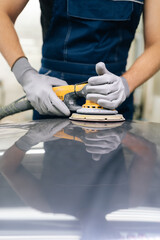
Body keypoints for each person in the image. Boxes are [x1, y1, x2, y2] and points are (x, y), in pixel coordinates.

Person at [0, 0, 160, 120]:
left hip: (114, 98)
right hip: (53, 94)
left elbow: (157, 43)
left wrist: (126, 83)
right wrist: (26, 75)